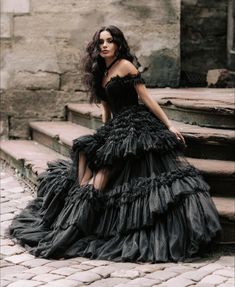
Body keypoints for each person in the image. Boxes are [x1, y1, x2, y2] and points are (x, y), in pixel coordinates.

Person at [9, 25, 221, 262]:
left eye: (110, 41)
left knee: (103, 174)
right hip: (116, 127)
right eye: (101, 42)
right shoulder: (100, 72)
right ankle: (76, 217)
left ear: (118, 44)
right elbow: (107, 111)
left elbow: (146, 98)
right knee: (85, 154)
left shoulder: (126, 66)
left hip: (135, 125)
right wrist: (104, 136)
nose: (105, 45)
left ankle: (75, 227)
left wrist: (169, 125)